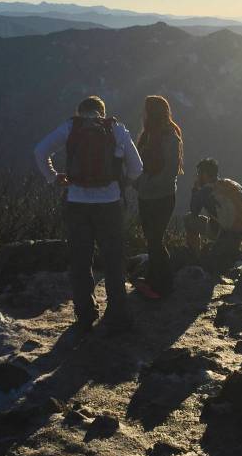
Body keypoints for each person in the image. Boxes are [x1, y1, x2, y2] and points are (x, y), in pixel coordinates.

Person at [34, 95, 143, 332]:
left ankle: (85, 313)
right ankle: (118, 313)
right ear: (101, 112)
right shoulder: (116, 129)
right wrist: (122, 181)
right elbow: (137, 167)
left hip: (76, 201)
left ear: (80, 111)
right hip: (110, 202)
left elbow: (40, 151)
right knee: (114, 259)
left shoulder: (70, 127)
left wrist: (54, 177)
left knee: (80, 260)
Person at [133, 96, 184, 300]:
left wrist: (142, 183)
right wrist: (139, 184)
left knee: (155, 239)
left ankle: (162, 285)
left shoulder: (170, 136)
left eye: (146, 110)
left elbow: (170, 170)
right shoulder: (148, 134)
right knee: (153, 239)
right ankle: (155, 281)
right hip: (147, 195)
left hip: (161, 197)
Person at [185, 158, 242, 275]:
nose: (197, 176)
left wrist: (195, 189)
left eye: (199, 173)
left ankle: (195, 256)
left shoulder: (205, 191)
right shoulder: (232, 184)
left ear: (205, 174)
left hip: (223, 233)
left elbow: (194, 212)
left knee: (188, 220)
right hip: (240, 232)